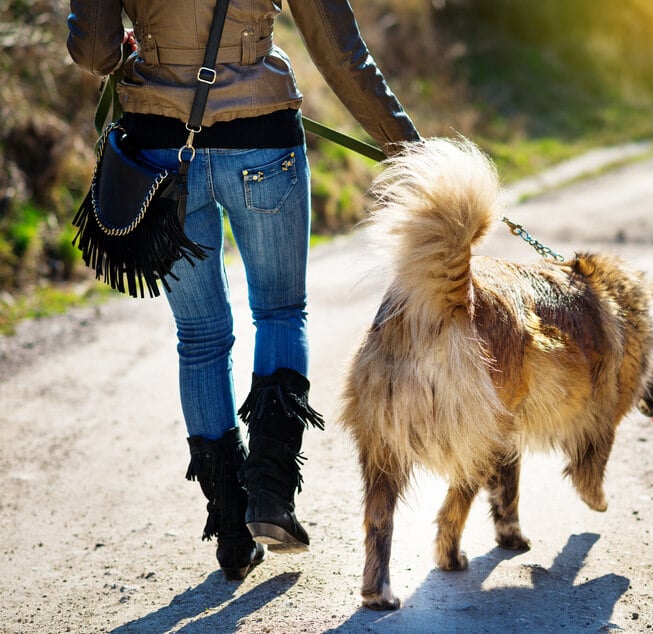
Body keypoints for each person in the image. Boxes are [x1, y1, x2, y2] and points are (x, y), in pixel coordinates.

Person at [66, 0, 420, 580]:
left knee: (201, 338)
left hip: (159, 153)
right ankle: (271, 500)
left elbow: (94, 52)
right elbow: (340, 54)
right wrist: (407, 149)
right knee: (281, 312)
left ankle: (231, 531)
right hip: (264, 144)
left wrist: (142, 46)